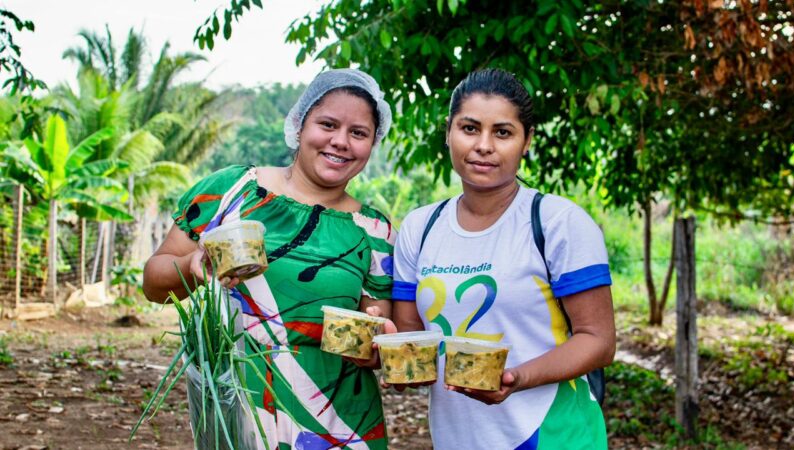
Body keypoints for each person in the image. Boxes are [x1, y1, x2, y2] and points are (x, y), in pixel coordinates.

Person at [143, 69, 395, 450]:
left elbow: (374, 327)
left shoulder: (373, 230)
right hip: (240, 411)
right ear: (299, 126)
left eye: (358, 133)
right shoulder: (232, 192)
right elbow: (153, 285)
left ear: (373, 143)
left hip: (339, 423)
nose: (340, 142)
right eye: (327, 124)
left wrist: (377, 346)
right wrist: (194, 265)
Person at [390, 68, 616, 449]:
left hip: (551, 434)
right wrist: (385, 341)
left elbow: (599, 340)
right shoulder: (420, 227)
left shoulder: (558, 222)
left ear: (527, 141)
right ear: (448, 132)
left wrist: (517, 378)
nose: (483, 145)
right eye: (469, 128)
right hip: (457, 438)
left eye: (503, 132)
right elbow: (413, 336)